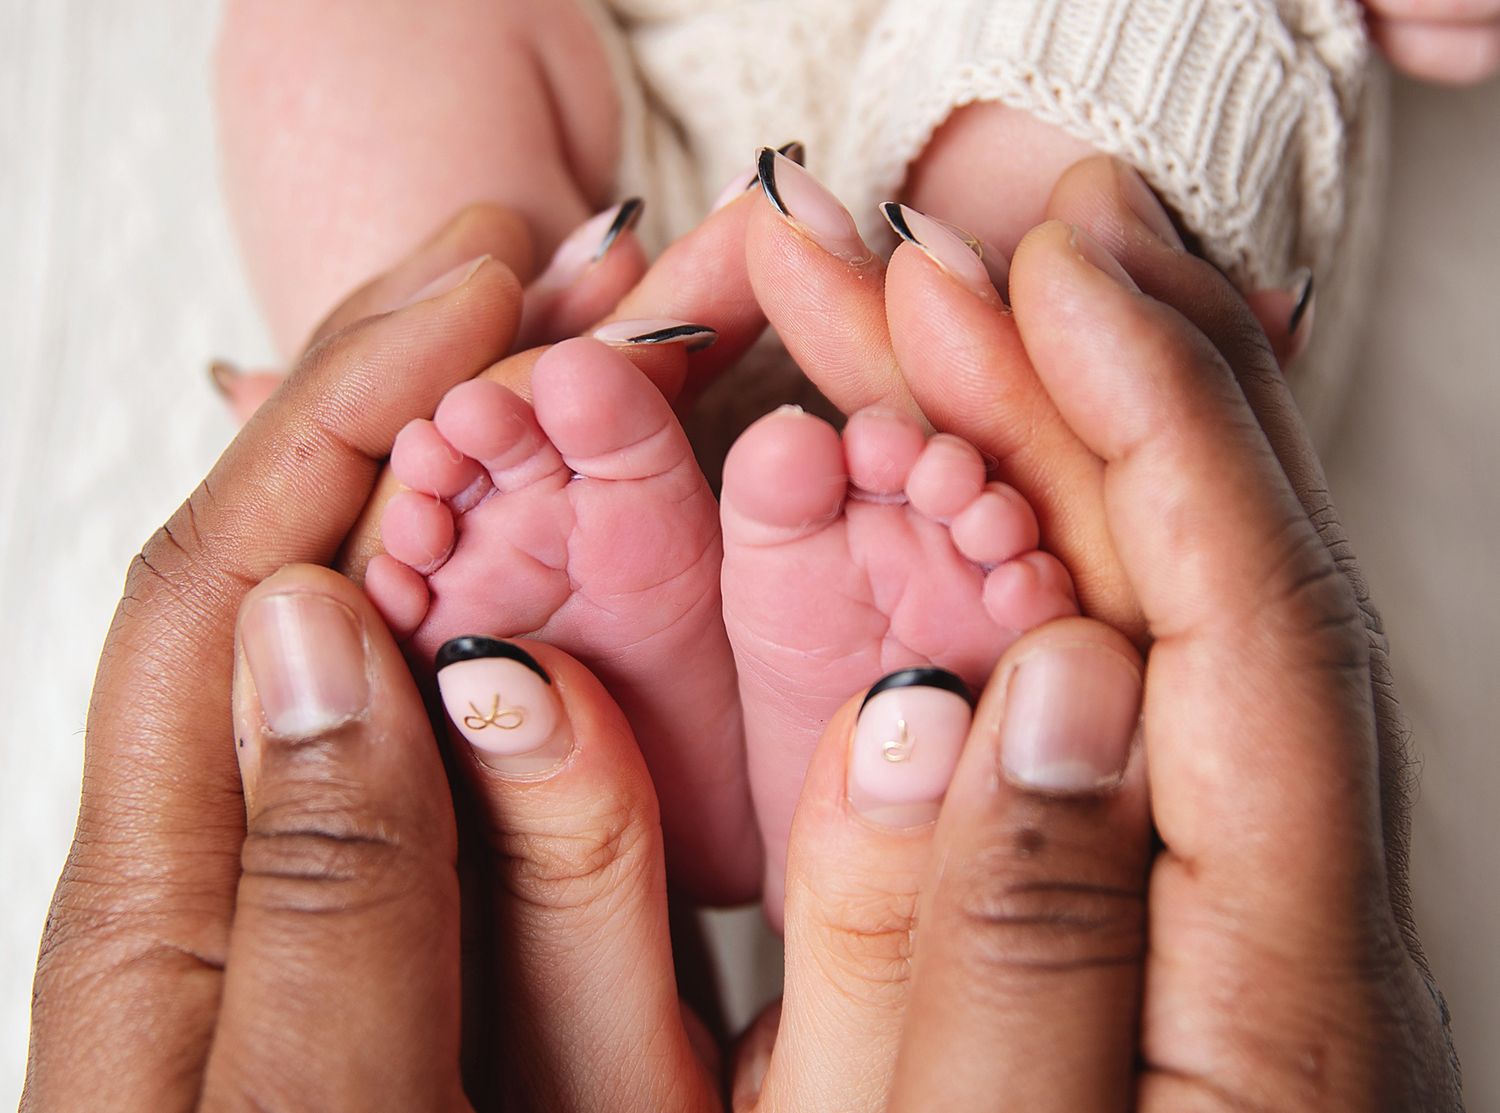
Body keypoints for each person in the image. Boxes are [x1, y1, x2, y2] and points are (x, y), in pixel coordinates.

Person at [23, 168, 1458, 1108]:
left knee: (420, 159)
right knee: (1046, 200)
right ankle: (825, 728)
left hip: (607, 202)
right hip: (870, 261)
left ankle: (659, 712)